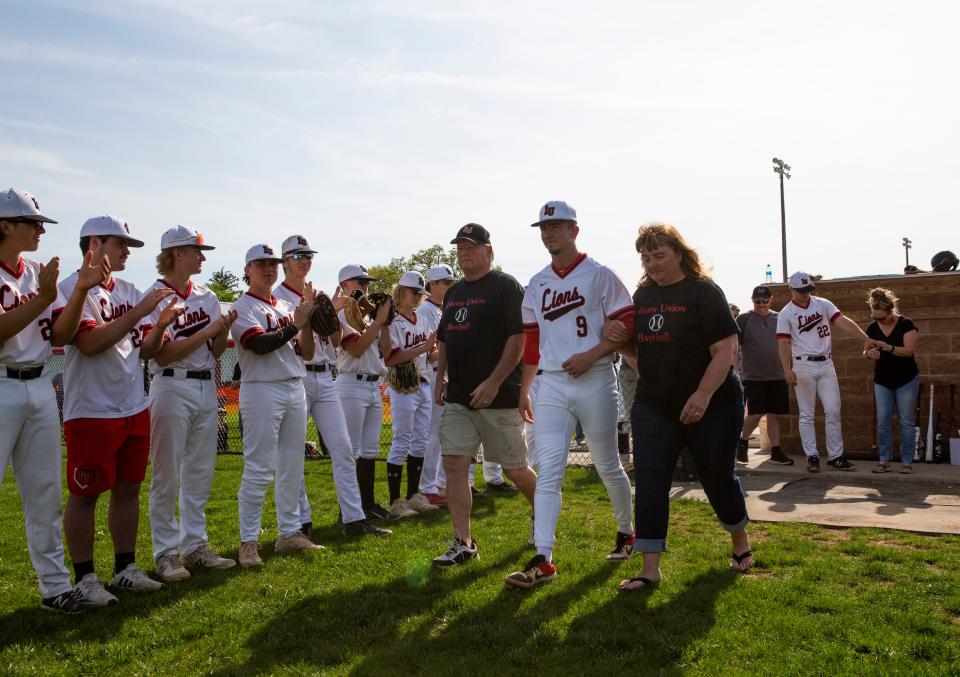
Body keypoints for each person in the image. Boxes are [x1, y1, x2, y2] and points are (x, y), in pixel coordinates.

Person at [606, 223, 753, 591]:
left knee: (717, 479)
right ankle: (649, 569)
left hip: (715, 404)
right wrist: (621, 344)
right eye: (645, 257)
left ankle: (740, 540)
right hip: (655, 407)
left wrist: (702, 395)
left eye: (659, 255)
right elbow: (633, 349)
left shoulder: (704, 292)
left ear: (679, 254)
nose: (652, 263)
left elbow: (726, 352)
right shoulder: (642, 297)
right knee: (651, 483)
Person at [506, 200, 635, 589]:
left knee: (607, 464)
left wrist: (594, 353)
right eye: (544, 228)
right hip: (552, 383)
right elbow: (532, 342)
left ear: (574, 230)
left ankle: (627, 531)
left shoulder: (599, 275)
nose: (548, 233)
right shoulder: (538, 283)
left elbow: (627, 321)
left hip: (595, 377)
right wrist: (525, 388)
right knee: (548, 472)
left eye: (556, 226)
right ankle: (544, 557)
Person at [0, 189, 109, 612]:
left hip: (39, 384)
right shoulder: (35, 284)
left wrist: (80, 289)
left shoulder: (35, 272)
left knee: (44, 496)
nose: (41, 229)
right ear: (5, 225)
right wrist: (44, 300)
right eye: (32, 222)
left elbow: (61, 336)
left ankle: (55, 589)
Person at [59, 215, 177, 605]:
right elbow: (90, 343)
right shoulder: (71, 289)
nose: (127, 251)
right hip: (91, 408)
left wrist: (158, 325)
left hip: (133, 403)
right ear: (94, 244)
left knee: (128, 488)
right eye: (120, 243)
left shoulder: (127, 288)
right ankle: (85, 576)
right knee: (86, 493)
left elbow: (144, 350)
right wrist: (140, 310)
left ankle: (125, 568)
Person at [431, 223, 538, 568]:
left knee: (515, 469)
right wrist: (440, 378)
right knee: (454, 464)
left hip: (499, 396)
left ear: (489, 251)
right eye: (460, 247)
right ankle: (463, 541)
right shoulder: (454, 293)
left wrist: (494, 381)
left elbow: (517, 339)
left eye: (471, 247)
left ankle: (543, 516)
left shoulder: (506, 286)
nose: (464, 253)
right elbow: (445, 339)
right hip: (460, 396)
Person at [275, 236, 390, 537]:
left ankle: (353, 519)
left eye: (308, 254)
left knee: (343, 448)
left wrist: (335, 313)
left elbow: (338, 342)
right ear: (284, 260)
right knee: (293, 451)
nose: (304, 259)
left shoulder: (323, 294)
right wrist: (309, 317)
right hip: (296, 375)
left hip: (326, 376)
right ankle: (302, 522)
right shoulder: (277, 299)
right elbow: (300, 346)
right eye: (297, 254)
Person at [144, 226, 239, 582]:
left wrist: (224, 329)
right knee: (167, 474)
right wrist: (206, 331)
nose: (202, 256)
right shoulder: (153, 296)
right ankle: (166, 553)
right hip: (170, 385)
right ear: (176, 254)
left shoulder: (207, 295)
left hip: (203, 385)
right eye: (195, 251)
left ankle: (195, 545)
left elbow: (215, 352)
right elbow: (163, 354)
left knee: (200, 471)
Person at [229, 243, 321, 567]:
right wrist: (296, 323)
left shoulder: (284, 305)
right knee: (259, 467)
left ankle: (290, 533)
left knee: (292, 467)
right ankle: (248, 543)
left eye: (272, 264)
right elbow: (260, 344)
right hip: (261, 389)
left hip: (294, 386)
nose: (268, 269)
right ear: (247, 270)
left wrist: (306, 322)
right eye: (260, 263)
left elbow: (306, 353)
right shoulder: (243, 307)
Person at [777, 271, 875, 473]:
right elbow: (783, 343)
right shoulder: (786, 313)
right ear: (792, 290)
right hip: (803, 363)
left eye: (808, 289)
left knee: (833, 409)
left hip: (826, 363)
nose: (806, 294)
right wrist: (787, 369)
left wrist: (864, 337)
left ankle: (835, 456)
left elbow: (842, 321)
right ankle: (812, 456)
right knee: (806, 414)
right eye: (801, 290)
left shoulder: (822, 303)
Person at [378, 271, 440, 516]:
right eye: (415, 292)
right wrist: (423, 348)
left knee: (421, 441)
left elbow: (430, 354)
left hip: (424, 382)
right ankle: (395, 501)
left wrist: (445, 351)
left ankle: (414, 495)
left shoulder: (421, 320)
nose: (418, 298)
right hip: (403, 385)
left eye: (420, 294)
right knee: (401, 439)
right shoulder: (392, 320)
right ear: (401, 290)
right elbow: (391, 357)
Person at [336, 264, 394, 520]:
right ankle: (346, 510)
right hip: (351, 383)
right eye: (359, 281)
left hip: (372, 384)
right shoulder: (341, 313)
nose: (365, 286)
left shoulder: (369, 316)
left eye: (367, 281)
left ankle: (367, 503)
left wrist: (385, 323)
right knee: (350, 451)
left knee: (370, 450)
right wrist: (379, 321)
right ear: (344, 284)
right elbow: (356, 349)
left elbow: (388, 351)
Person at [735, 286, 794, 465]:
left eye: (765, 301)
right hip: (754, 376)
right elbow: (734, 347)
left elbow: (789, 343)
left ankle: (776, 451)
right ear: (752, 300)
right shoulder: (743, 319)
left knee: (774, 414)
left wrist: (790, 369)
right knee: (755, 413)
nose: (761, 304)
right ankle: (743, 441)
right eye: (757, 301)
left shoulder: (780, 318)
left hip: (777, 374)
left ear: (771, 300)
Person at [864, 288, 920, 474]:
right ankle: (884, 460)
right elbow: (865, 350)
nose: (877, 321)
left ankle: (907, 462)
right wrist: (868, 353)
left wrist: (888, 348)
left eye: (881, 317)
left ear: (891, 311)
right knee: (883, 421)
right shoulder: (872, 328)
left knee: (906, 420)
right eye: (875, 317)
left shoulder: (906, 324)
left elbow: (908, 351)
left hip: (906, 378)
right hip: (883, 380)